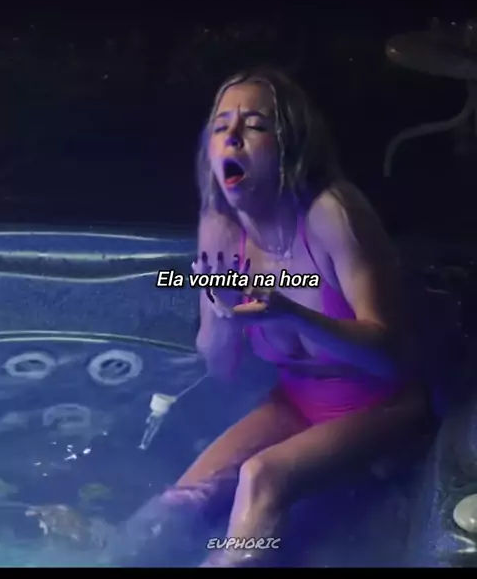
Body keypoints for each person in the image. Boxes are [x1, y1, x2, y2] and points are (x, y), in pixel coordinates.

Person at [111, 67, 431, 567]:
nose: (233, 137)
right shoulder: (220, 230)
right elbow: (222, 369)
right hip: (297, 403)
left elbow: (392, 358)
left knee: (263, 477)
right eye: (221, 126)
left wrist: (293, 315)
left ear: (290, 146)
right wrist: (223, 314)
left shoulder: (332, 214)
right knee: (177, 504)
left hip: (385, 406)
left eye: (255, 125)